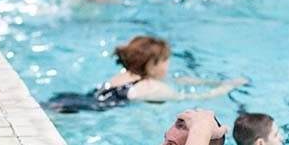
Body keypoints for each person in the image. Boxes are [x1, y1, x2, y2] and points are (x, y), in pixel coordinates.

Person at [97, 35, 246, 104]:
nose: (168, 64)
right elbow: (195, 98)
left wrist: (211, 82)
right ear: (151, 65)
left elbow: (172, 80)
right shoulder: (154, 88)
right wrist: (228, 87)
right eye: (165, 60)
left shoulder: (127, 74)